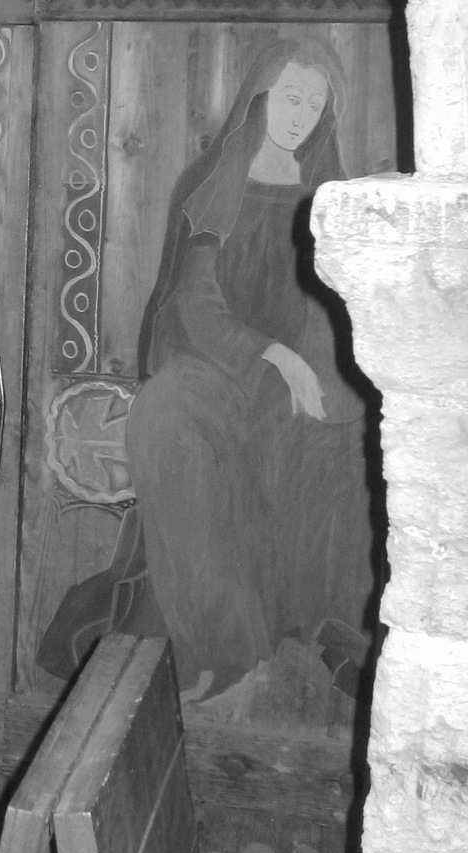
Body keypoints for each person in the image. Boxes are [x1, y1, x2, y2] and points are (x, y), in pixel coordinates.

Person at [124, 37, 375, 697]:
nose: (300, 115)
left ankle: (334, 631)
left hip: (307, 364)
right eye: (290, 97)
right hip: (219, 362)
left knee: (340, 443)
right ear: (260, 96)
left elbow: (337, 303)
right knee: (164, 415)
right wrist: (272, 355)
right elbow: (196, 303)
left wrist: (311, 364)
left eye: (314, 105)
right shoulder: (212, 183)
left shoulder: (328, 193)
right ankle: (220, 642)